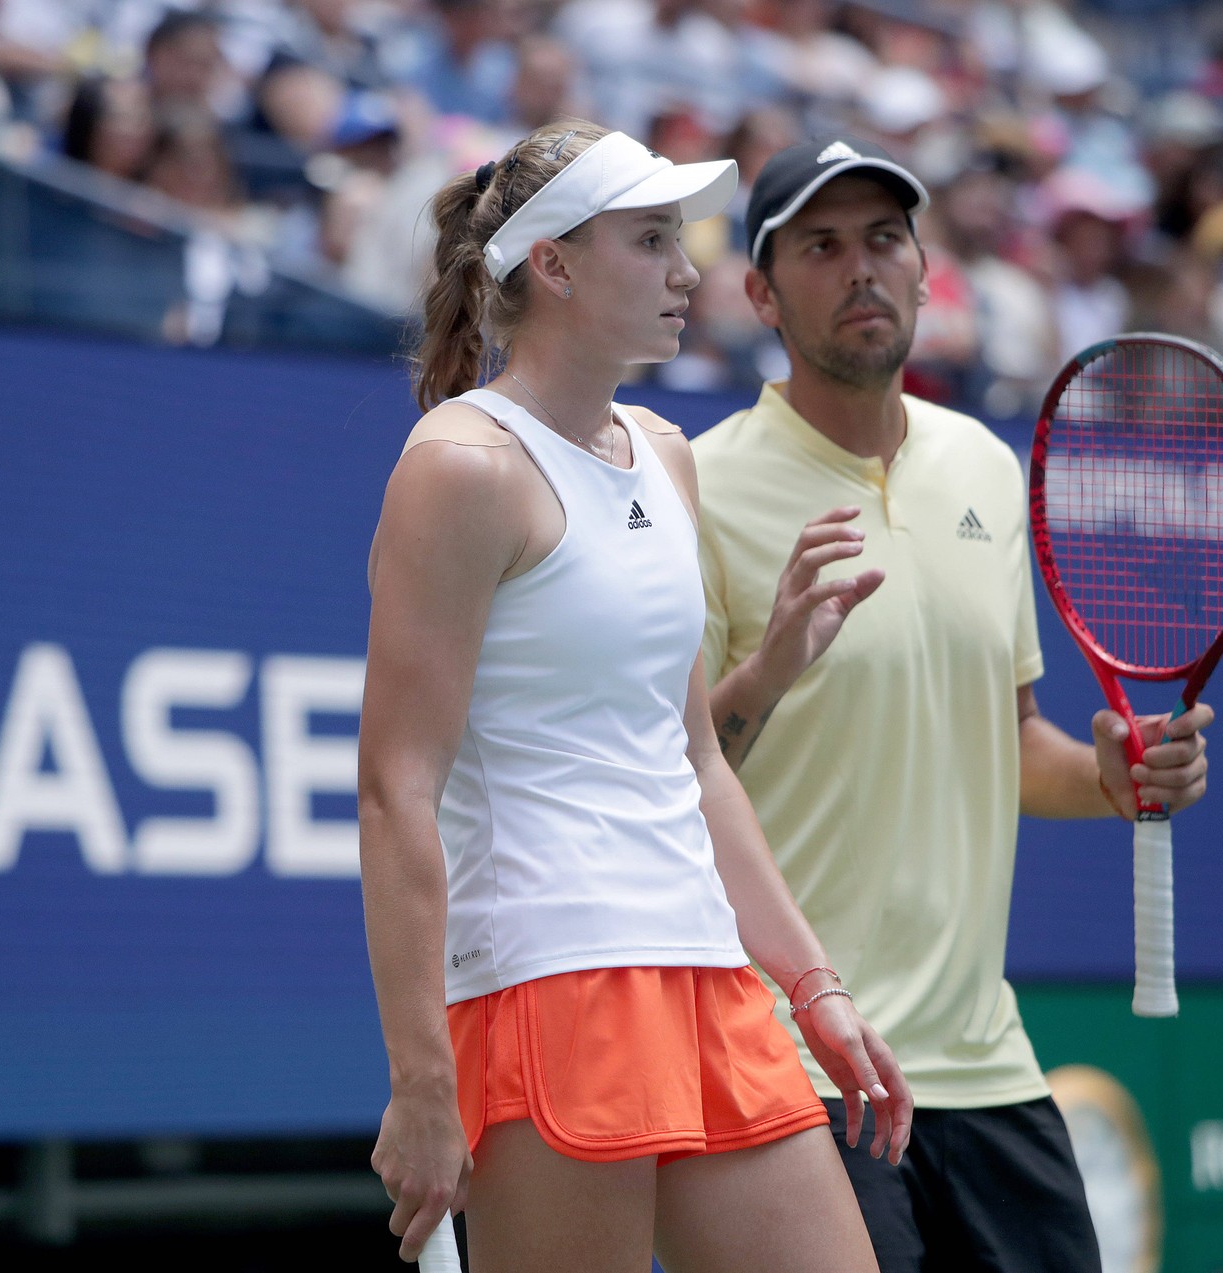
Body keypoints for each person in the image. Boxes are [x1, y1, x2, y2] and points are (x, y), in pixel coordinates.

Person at [358, 120, 914, 1272]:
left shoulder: (666, 454)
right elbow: (395, 790)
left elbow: (694, 759)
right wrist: (423, 1078)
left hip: (709, 976)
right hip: (546, 985)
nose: (686, 271)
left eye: (682, 239)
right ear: (553, 265)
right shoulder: (461, 466)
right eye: (652, 238)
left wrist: (812, 983)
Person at [692, 137, 1216, 1271]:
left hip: (986, 1065)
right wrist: (771, 667)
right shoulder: (702, 485)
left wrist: (1112, 779)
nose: (861, 268)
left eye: (885, 238)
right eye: (821, 247)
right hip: (795, 1060)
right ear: (760, 295)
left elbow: (1014, 744)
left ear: (928, 268)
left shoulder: (984, 466)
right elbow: (678, 770)